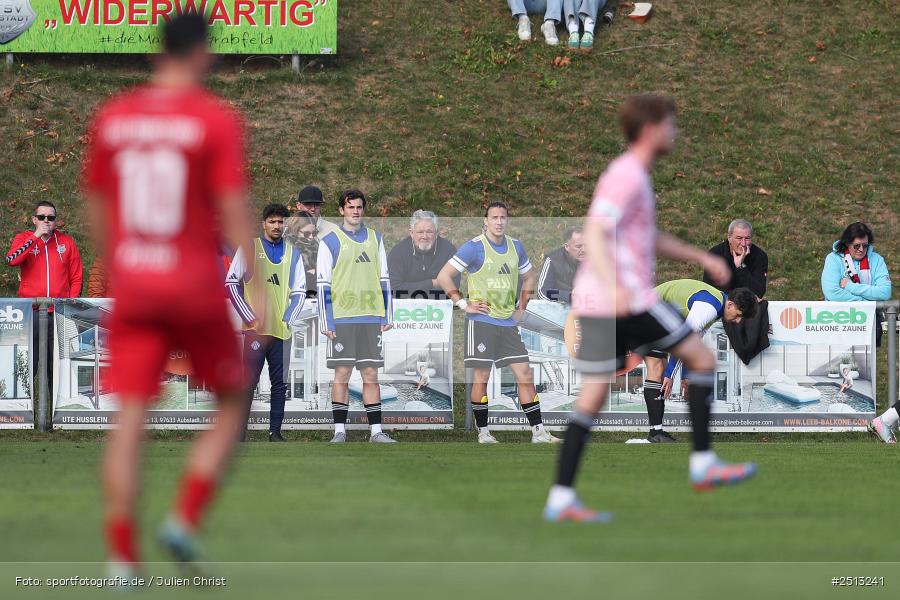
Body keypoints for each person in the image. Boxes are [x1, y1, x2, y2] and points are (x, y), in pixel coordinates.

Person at [82, 13, 254, 575]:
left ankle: (121, 558)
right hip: (191, 284)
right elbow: (230, 207)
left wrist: (123, 266)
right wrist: (253, 275)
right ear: (202, 52)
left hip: (135, 283)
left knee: (130, 420)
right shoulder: (212, 119)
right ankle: (182, 518)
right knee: (232, 400)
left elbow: (100, 209)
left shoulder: (114, 117)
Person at [543, 95, 758, 523]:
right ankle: (702, 464)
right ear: (651, 129)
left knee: (592, 396)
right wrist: (617, 290)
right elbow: (596, 230)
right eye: (671, 124)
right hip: (623, 297)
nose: (675, 132)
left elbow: (648, 235)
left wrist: (703, 255)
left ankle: (561, 497)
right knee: (700, 357)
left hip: (600, 299)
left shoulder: (633, 177)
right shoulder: (627, 175)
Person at [436, 202, 561, 444]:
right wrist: (463, 304)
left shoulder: (515, 246)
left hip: (507, 324)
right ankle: (483, 433)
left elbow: (529, 276)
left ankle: (538, 432)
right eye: (494, 217)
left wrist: (521, 308)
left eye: (503, 217)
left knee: (524, 374)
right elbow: (444, 275)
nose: (499, 221)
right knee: (481, 377)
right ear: (486, 221)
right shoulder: (474, 248)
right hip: (481, 321)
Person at [317, 189, 396, 443]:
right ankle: (339, 431)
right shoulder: (329, 241)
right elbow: (322, 284)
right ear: (341, 210)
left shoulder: (376, 238)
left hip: (370, 318)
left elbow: (384, 278)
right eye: (350, 207)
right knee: (342, 375)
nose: (355, 211)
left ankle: (376, 432)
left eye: (359, 207)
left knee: (370, 376)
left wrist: (387, 314)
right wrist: (326, 319)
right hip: (342, 319)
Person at [226, 203, 307, 442]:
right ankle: (239, 433)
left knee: (279, 385)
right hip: (255, 332)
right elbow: (231, 282)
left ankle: (275, 433)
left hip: (281, 332)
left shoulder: (293, 253)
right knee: (247, 384)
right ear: (264, 224)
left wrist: (287, 318)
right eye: (272, 221)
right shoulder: (250, 247)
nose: (277, 226)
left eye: (281, 222)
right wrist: (249, 316)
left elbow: (300, 291)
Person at [642, 280, 758, 443]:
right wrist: (670, 374)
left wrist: (685, 376)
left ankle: (656, 432)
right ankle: (656, 433)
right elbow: (683, 339)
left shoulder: (717, 305)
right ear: (730, 304)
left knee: (658, 369)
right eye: (738, 315)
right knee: (657, 370)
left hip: (654, 312)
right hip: (646, 311)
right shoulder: (709, 307)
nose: (738, 321)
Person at [5, 200, 83, 386]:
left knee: (57, 367)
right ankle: (23, 411)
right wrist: (36, 236)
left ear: (56, 221)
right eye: (41, 217)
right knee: (26, 365)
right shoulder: (23, 238)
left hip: (58, 315)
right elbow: (12, 259)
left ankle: (52, 414)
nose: (46, 221)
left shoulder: (66, 242)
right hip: (30, 314)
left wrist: (69, 308)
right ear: (34, 219)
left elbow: (77, 277)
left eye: (51, 217)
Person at [821, 222, 892, 346]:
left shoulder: (877, 260)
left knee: (866, 365)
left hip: (868, 324)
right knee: (838, 364)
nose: (861, 250)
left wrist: (850, 286)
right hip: (838, 322)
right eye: (856, 246)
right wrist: (868, 303)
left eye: (865, 246)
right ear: (847, 243)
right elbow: (832, 293)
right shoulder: (833, 259)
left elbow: (884, 292)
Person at [388, 210, 459, 299]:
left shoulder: (448, 250)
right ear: (411, 233)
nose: (425, 236)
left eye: (429, 232)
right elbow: (394, 289)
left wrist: (413, 290)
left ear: (436, 233)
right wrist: (432, 283)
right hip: (405, 307)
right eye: (420, 232)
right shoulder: (398, 252)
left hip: (439, 305)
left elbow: (453, 287)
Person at [703, 219, 768, 298]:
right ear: (729, 237)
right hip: (722, 302)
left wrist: (741, 267)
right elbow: (709, 289)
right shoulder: (715, 254)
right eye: (739, 238)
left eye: (747, 238)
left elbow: (759, 292)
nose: (743, 243)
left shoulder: (759, 256)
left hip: (748, 304)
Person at [537, 225, 584, 303]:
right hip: (559, 309)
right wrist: (569, 296)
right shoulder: (553, 260)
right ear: (567, 247)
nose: (584, 250)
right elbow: (542, 292)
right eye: (578, 246)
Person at [284, 210, 319, 298]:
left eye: (314, 233)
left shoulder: (317, 245)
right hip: (292, 297)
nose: (311, 237)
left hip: (314, 296)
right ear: (295, 230)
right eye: (307, 233)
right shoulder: (286, 248)